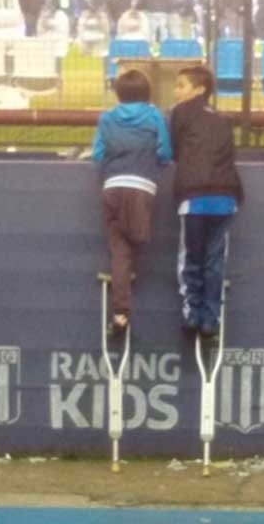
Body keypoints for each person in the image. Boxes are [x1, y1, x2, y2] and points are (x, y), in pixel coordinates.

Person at [92, 69, 172, 333]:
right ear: (147, 93)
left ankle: (120, 312)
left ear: (118, 93)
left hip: (113, 186)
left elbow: (98, 153)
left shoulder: (107, 118)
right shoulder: (154, 116)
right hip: (142, 186)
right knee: (134, 240)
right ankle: (126, 276)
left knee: (119, 248)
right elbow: (164, 152)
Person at [170, 66, 243, 337]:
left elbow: (175, 150)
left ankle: (192, 313)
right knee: (214, 260)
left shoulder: (179, 113)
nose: (176, 91)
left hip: (195, 195)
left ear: (199, 89)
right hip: (225, 196)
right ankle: (211, 319)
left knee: (191, 257)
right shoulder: (223, 119)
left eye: (181, 85)